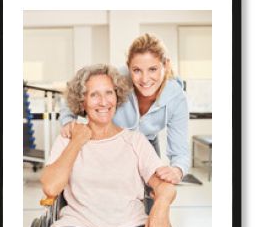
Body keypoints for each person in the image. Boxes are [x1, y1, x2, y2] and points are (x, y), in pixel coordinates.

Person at [41, 64, 176, 227]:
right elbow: (51, 187)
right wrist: (77, 141)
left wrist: (161, 206)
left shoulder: (135, 141)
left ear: (117, 96)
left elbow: (164, 185)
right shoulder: (67, 140)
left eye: (108, 93)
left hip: (129, 226)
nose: (103, 102)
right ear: (81, 102)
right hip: (78, 225)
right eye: (94, 94)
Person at [59, 33, 189, 185]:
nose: (145, 79)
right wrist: (68, 120)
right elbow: (75, 94)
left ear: (165, 65)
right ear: (128, 67)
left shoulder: (176, 98)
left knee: (153, 192)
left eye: (152, 69)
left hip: (147, 143)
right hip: (111, 142)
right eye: (137, 70)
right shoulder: (117, 79)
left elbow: (180, 152)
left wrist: (177, 170)